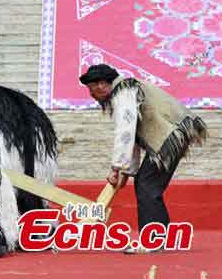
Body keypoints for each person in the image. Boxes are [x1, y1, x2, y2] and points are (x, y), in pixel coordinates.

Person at [79, 63, 208, 254]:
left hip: (169, 136)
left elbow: (125, 131)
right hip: (172, 135)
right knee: (147, 183)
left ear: (101, 85)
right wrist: (125, 170)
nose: (91, 95)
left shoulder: (123, 91)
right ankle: (158, 239)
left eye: (91, 90)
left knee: (147, 185)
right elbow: (134, 140)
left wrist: (116, 168)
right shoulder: (127, 89)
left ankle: (152, 242)